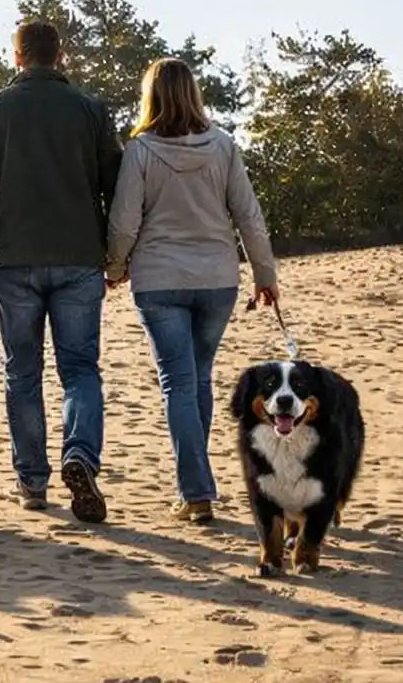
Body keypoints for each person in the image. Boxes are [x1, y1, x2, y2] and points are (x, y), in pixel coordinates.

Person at [0, 19, 123, 524]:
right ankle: (79, 456)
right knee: (80, 370)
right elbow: (117, 185)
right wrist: (121, 250)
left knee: (22, 372)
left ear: (17, 58)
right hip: (80, 258)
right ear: (60, 56)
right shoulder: (90, 110)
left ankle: (32, 483)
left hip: (14, 261)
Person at [103, 57, 279, 524]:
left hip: (160, 280)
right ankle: (195, 484)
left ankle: (196, 491)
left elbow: (124, 220)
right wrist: (266, 274)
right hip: (217, 279)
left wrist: (116, 266)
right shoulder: (223, 146)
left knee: (179, 383)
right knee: (196, 379)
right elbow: (248, 216)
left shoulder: (140, 151)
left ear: (151, 96)